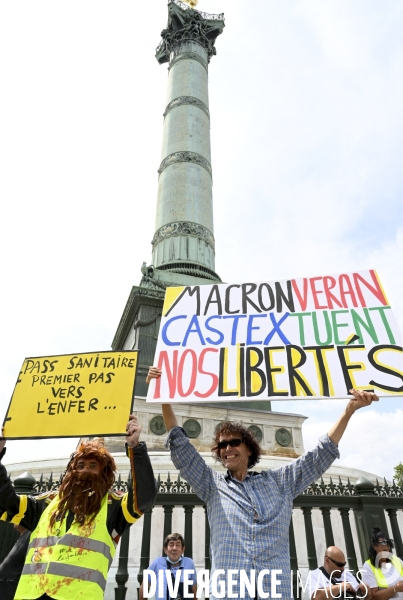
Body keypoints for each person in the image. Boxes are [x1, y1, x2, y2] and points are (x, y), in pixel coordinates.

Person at [147, 366, 379, 600]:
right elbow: (181, 446)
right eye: (222, 446)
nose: (227, 449)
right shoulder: (212, 485)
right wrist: (163, 395)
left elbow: (320, 455)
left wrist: (349, 410)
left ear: (249, 447)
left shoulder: (280, 482)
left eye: (233, 442)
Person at [0, 416, 157, 600]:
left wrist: (135, 448)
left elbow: (144, 496)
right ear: (71, 471)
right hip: (31, 595)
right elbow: (6, 503)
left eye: (93, 466)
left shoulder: (114, 507)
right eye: (80, 465)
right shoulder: (46, 503)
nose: (85, 471)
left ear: (103, 472)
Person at [139, 532, 197, 600]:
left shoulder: (189, 563)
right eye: (171, 545)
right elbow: (144, 586)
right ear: (165, 549)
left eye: (178, 545)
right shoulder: (157, 562)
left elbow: (194, 590)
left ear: (183, 550)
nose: (174, 548)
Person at [361, 527, 403, 599]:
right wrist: (395, 589)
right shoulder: (368, 566)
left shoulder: (397, 560)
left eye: (387, 550)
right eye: (383, 550)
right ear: (374, 546)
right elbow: (373, 596)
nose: (386, 552)